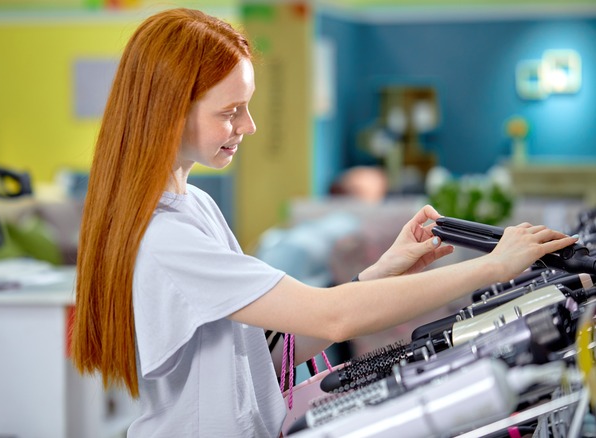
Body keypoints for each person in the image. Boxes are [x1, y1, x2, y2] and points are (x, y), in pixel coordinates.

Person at [70, 8, 577, 437]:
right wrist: (494, 267)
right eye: (231, 111)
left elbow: (268, 351)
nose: (247, 126)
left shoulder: (196, 205)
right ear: (170, 111)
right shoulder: (164, 238)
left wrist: (383, 271)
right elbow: (331, 318)